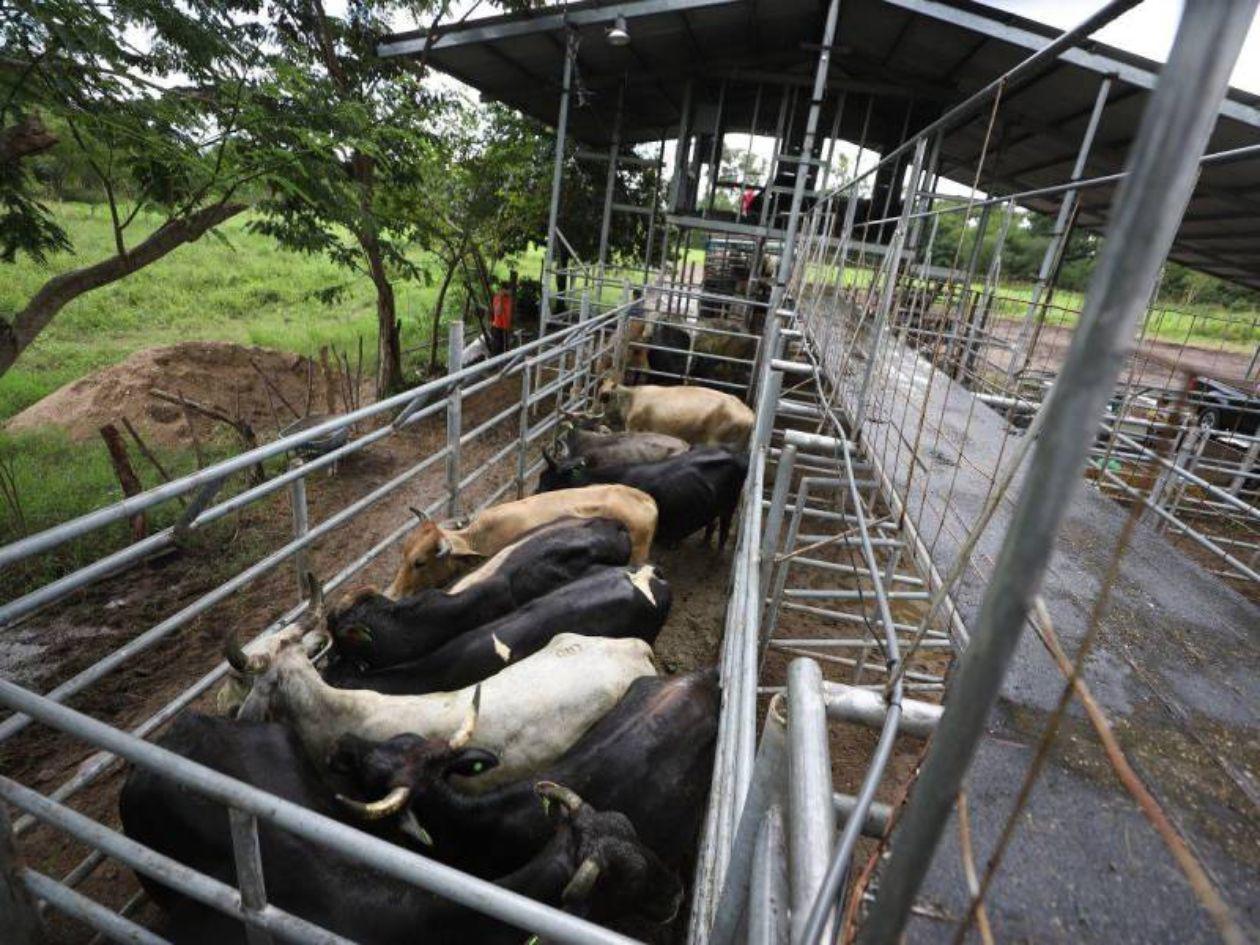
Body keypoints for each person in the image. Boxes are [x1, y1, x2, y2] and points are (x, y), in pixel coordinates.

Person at [490, 271, 516, 355]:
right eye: (508, 290)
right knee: (498, 350)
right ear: (504, 290)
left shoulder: (509, 299)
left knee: (506, 349)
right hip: (498, 327)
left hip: (505, 327)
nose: (510, 292)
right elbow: (497, 312)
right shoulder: (498, 297)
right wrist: (501, 298)